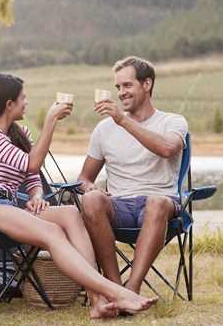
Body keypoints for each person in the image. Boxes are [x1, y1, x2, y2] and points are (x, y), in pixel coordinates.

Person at [0, 73, 155, 319]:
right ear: (9, 104)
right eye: (23, 97)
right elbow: (30, 164)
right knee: (52, 232)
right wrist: (51, 120)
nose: (27, 102)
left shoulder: (21, 135)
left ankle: (96, 302)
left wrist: (37, 194)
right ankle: (117, 292)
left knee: (71, 214)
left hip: (9, 205)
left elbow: (31, 178)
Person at [78, 56, 188, 310]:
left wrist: (123, 121)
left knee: (157, 202)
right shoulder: (103, 129)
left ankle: (132, 288)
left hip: (160, 207)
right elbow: (84, 178)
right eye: (118, 87)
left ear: (147, 84)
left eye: (127, 85)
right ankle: (115, 289)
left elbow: (167, 148)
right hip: (120, 206)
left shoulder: (172, 122)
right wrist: (89, 188)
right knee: (92, 200)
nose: (121, 93)